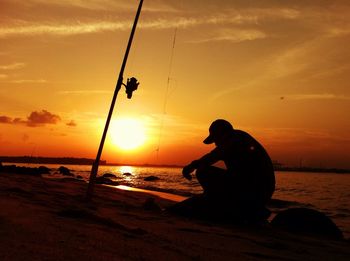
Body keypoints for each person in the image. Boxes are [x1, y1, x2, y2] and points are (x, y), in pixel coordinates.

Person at [180, 119, 275, 223]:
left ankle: (216, 201)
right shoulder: (240, 137)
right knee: (205, 171)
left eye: (215, 139)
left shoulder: (234, 139)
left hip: (255, 189)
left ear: (222, 135)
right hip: (256, 188)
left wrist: (191, 166)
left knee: (203, 171)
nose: (215, 144)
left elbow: (212, 156)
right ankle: (223, 201)